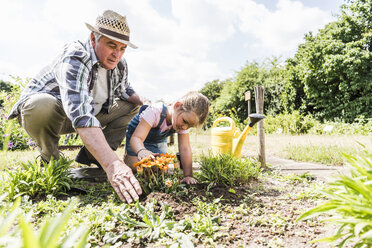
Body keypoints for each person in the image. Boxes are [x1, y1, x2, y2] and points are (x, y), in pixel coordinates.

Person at [8, 10, 143, 203]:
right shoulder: (76, 56)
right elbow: (80, 114)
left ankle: (93, 155)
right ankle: (50, 161)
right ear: (93, 38)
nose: (117, 54)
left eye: (122, 48)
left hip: (89, 114)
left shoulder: (119, 64)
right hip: (55, 113)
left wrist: (145, 103)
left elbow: (124, 90)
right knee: (41, 105)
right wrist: (114, 164)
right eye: (111, 45)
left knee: (133, 108)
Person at [124, 91, 209, 184]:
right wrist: (141, 151)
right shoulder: (155, 111)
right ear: (177, 106)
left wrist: (188, 175)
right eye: (184, 121)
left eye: (189, 126)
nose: (185, 127)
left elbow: (185, 149)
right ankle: (128, 158)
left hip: (157, 141)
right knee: (138, 168)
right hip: (137, 138)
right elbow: (136, 138)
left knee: (158, 169)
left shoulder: (183, 120)